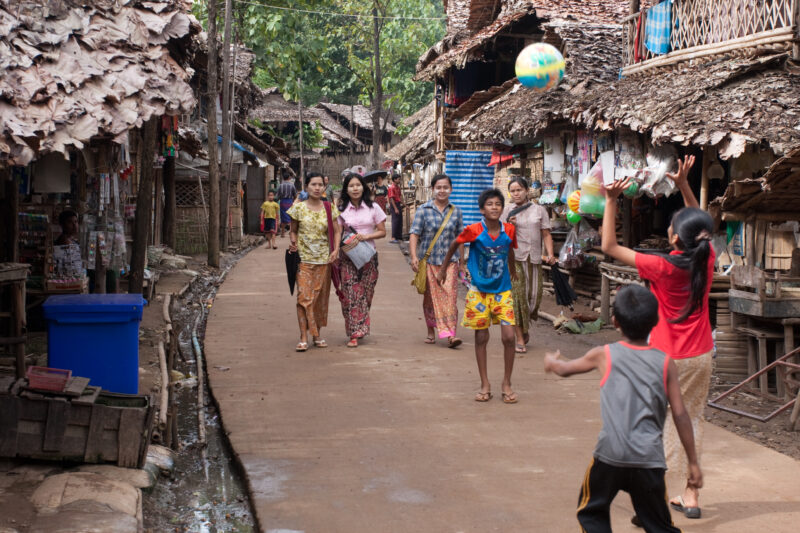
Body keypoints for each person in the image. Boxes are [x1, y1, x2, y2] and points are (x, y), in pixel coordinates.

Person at [601, 155, 713, 519]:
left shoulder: (661, 266)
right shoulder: (704, 257)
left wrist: (612, 201)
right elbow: (700, 227)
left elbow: (610, 248)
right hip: (699, 354)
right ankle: (691, 495)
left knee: (651, 423)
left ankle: (652, 499)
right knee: (689, 419)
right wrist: (684, 187)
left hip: (662, 356)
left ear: (673, 237)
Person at [544, 285, 703, 533]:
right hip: (649, 460)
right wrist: (693, 463)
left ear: (615, 321)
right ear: (655, 322)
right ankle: (646, 512)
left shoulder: (603, 354)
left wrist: (552, 362)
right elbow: (681, 415)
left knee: (590, 512)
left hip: (610, 455)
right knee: (658, 522)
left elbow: (565, 369)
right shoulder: (665, 362)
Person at [440, 188, 519, 403]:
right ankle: (485, 383)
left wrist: (512, 269)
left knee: (509, 337)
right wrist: (445, 269)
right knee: (481, 337)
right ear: (482, 209)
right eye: (490, 204)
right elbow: (455, 244)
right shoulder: (474, 230)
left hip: (503, 290)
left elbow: (510, 249)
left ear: (502, 208)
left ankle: (507, 382)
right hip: (479, 291)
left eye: (498, 204)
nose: (494, 207)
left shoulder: (509, 230)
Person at [409, 174, 465, 349]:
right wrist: (413, 257)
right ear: (433, 189)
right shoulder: (423, 210)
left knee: (450, 297)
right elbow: (414, 234)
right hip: (429, 261)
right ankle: (431, 331)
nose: (442, 190)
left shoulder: (456, 211)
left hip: (451, 262)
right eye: (438, 187)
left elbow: (460, 238)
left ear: (451, 189)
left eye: (445, 187)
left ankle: (449, 334)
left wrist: (462, 262)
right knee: (430, 299)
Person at [501, 177, 556, 353]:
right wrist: (509, 226)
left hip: (534, 259)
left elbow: (546, 233)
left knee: (533, 297)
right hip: (514, 259)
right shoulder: (507, 211)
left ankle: (524, 329)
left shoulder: (539, 210)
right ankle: (519, 338)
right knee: (517, 299)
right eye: (513, 190)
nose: (516, 193)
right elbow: (500, 234)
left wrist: (550, 254)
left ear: (526, 191)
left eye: (519, 190)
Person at [287, 172, 341, 352]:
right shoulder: (298, 209)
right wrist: (293, 241)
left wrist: (336, 249)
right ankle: (304, 336)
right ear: (306, 187)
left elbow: (337, 230)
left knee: (318, 300)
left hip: (324, 260)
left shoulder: (329, 207)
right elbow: (293, 230)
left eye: (320, 185)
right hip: (303, 260)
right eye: (313, 184)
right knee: (304, 297)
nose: (317, 188)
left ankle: (316, 333)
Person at [337, 172, 387, 347]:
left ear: (363, 187)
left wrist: (366, 237)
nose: (355, 188)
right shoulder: (341, 209)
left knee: (366, 294)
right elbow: (338, 232)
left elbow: (382, 231)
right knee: (350, 293)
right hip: (347, 256)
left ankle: (360, 323)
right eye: (351, 186)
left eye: (358, 185)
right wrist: (335, 251)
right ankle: (354, 332)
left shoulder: (373, 207)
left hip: (368, 256)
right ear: (346, 189)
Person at [277, 173, 297, 238]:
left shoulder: (280, 185)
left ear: (283, 178)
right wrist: (293, 200)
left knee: (283, 217)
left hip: (282, 202)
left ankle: (282, 233)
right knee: (290, 216)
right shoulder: (292, 186)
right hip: (289, 202)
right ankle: (291, 232)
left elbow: (278, 195)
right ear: (289, 178)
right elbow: (295, 195)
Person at [387, 173, 404, 243]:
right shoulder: (391, 188)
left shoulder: (398, 187)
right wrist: (395, 208)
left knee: (400, 220)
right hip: (394, 205)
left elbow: (399, 197)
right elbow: (391, 199)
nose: (399, 180)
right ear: (395, 179)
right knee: (395, 221)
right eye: (398, 179)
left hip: (398, 204)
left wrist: (404, 204)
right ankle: (393, 237)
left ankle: (398, 236)